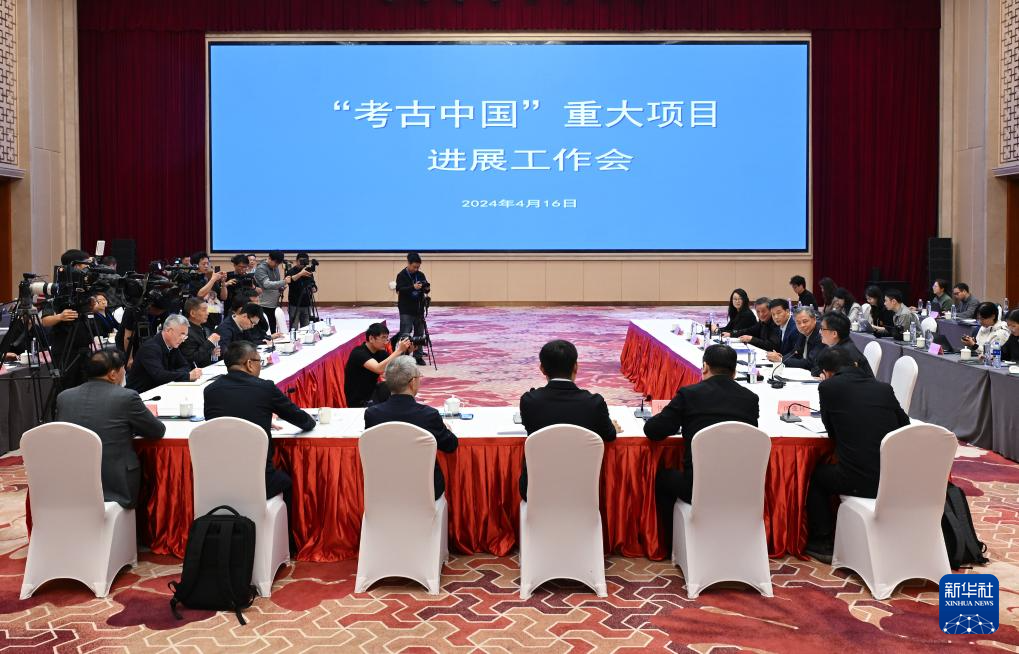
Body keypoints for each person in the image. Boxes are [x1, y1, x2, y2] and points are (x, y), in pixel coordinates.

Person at [204, 341, 317, 550]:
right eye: (259, 362)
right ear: (249, 364)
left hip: (217, 480)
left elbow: (221, 424)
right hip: (259, 480)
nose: (260, 366)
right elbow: (304, 421)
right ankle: (287, 545)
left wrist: (261, 417)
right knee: (287, 482)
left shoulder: (211, 390)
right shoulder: (264, 388)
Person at [804, 348, 910, 563]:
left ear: (827, 373)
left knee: (815, 476)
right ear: (854, 364)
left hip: (859, 480)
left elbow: (832, 433)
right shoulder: (883, 388)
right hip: (895, 478)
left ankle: (822, 540)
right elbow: (904, 425)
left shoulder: (828, 387)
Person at [644, 344, 759, 508]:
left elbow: (653, 430)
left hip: (696, 488)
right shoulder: (750, 399)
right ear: (734, 372)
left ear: (705, 367)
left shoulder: (689, 394)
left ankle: (671, 525)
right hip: (740, 488)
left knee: (663, 477)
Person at [55, 349, 166, 507]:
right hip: (116, 485)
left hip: (72, 482)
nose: (125, 372)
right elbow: (156, 431)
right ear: (113, 374)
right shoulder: (127, 397)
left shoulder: (64, 397)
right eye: (123, 369)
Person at [517, 339, 620, 501]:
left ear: (542, 369)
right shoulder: (594, 403)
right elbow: (610, 435)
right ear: (576, 367)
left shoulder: (530, 401)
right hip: (583, 491)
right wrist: (611, 426)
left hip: (535, 490)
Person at [363, 355, 458, 500]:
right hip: (426, 490)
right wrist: (446, 430)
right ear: (413, 382)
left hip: (384, 488)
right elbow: (451, 445)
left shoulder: (372, 414)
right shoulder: (428, 415)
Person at [343, 322, 413, 408]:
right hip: (359, 400)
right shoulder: (358, 352)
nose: (386, 342)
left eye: (387, 338)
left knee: (401, 384)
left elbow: (397, 367)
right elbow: (378, 369)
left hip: (372, 391)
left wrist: (407, 352)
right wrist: (398, 350)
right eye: (383, 338)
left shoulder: (380, 352)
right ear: (371, 338)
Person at [126, 313, 201, 393]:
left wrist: (170, 374)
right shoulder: (150, 348)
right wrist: (187, 376)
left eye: (185, 336)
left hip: (160, 390)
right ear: (169, 331)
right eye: (181, 334)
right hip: (141, 394)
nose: (183, 339)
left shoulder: (173, 345)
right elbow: (160, 376)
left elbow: (185, 366)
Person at [255, 250, 312, 333]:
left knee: (273, 328)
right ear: (269, 258)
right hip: (264, 304)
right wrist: (284, 282)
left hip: (274, 303)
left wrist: (280, 288)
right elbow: (266, 284)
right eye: (275, 263)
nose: (276, 265)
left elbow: (276, 283)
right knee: (266, 329)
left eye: (278, 264)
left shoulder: (275, 267)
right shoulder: (261, 268)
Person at [395, 252, 429, 365]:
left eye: (418, 267)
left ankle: (418, 356)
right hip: (406, 309)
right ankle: (403, 356)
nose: (416, 269)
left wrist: (426, 288)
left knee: (419, 334)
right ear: (408, 263)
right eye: (414, 267)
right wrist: (413, 287)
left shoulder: (420, 275)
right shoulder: (401, 275)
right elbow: (400, 290)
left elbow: (426, 288)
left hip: (419, 309)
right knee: (405, 334)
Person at [818, 311, 873, 377]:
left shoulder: (846, 354)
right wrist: (822, 373)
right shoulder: (835, 346)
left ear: (834, 334)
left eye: (822, 329)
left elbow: (846, 381)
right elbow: (817, 365)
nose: (820, 332)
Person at [188, 251, 228, 328]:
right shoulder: (193, 279)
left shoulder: (210, 278)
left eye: (207, 263)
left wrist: (223, 283)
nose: (206, 266)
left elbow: (223, 297)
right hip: (201, 319)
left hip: (216, 317)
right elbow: (200, 295)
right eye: (203, 264)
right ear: (196, 265)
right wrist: (213, 279)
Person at [178, 297, 221, 367]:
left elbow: (201, 351)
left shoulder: (203, 328)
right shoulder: (186, 332)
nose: (207, 313)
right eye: (204, 310)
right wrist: (210, 342)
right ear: (192, 313)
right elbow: (191, 359)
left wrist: (211, 353)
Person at [785, 307, 826, 372]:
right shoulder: (802, 332)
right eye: (798, 323)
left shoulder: (821, 335)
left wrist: (782, 360)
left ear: (814, 319)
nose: (802, 325)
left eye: (805, 321)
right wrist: (781, 358)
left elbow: (810, 363)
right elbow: (795, 352)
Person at [287, 253, 318, 329]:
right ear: (296, 261)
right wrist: (300, 274)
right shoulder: (291, 271)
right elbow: (289, 282)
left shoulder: (308, 272)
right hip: (294, 304)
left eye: (305, 261)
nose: (303, 263)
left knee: (306, 328)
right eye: (301, 261)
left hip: (306, 304)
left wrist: (314, 288)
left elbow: (313, 284)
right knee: (294, 327)